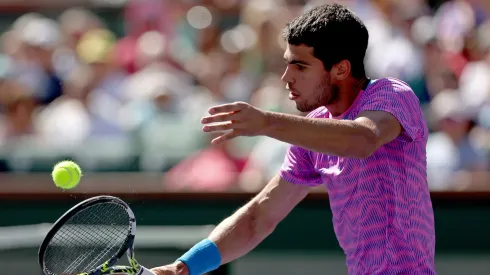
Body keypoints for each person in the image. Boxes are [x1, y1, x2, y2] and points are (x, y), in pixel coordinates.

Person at [151, 3, 436, 275]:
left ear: (340, 69)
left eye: (300, 67)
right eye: (288, 64)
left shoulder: (392, 94)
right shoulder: (314, 130)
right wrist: (184, 267)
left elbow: (362, 140)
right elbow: (258, 218)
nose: (286, 77)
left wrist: (267, 122)